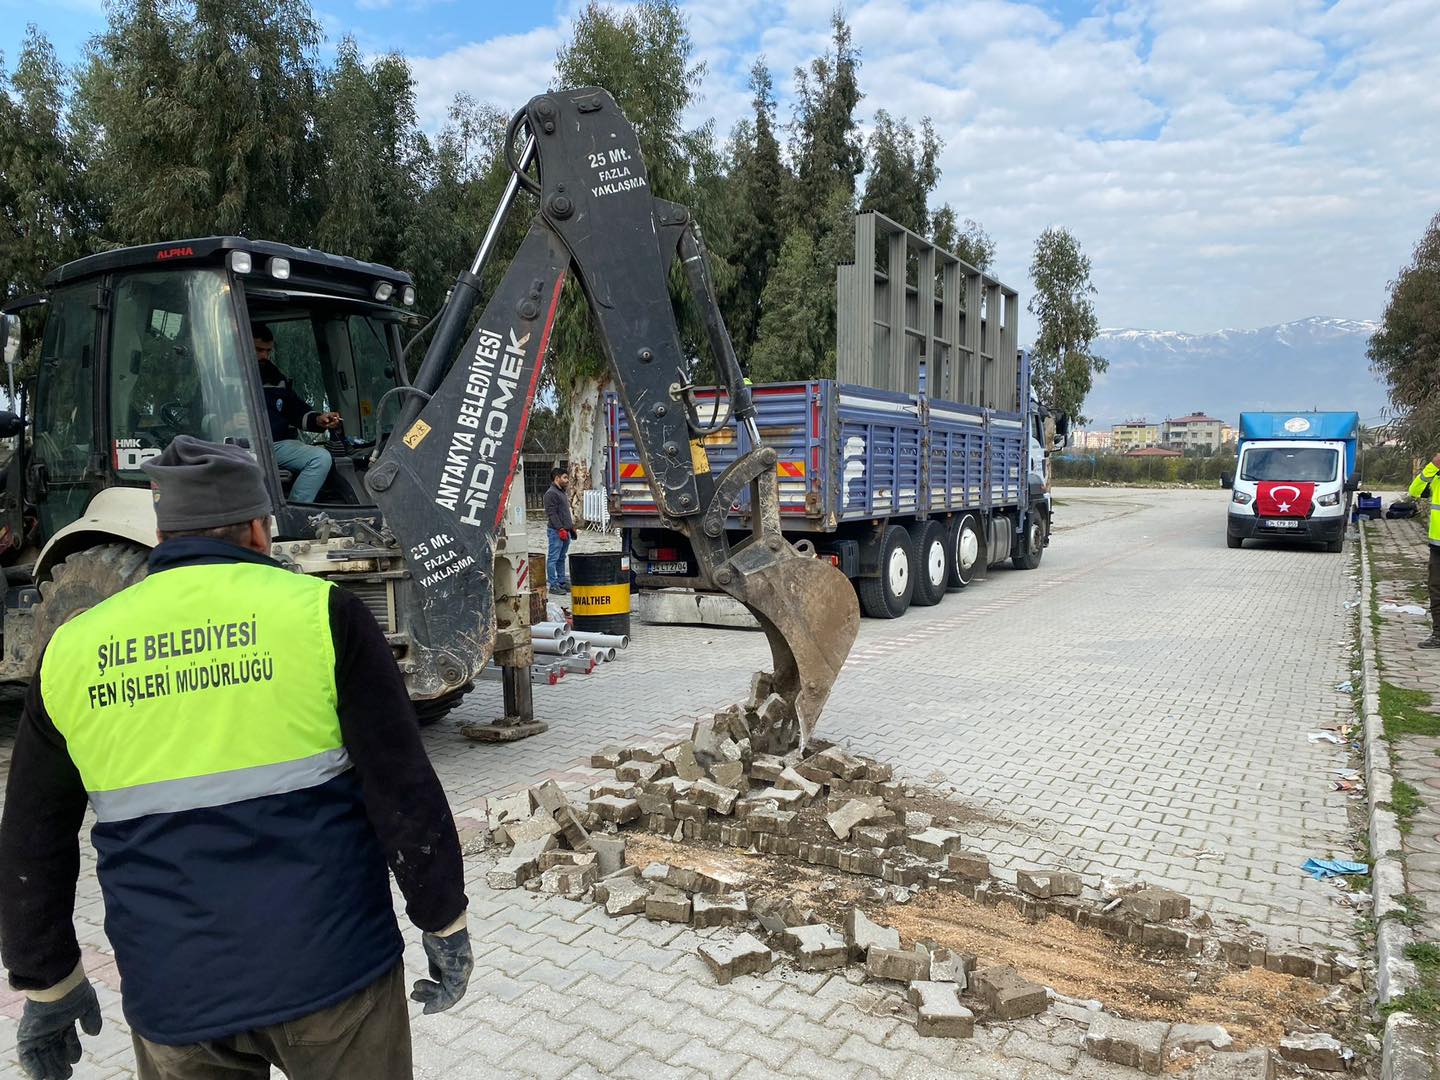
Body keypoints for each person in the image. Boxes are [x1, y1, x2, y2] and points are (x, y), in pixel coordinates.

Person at [0, 437, 472, 1080]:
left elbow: (32, 835)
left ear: (162, 532)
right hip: (332, 973)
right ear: (258, 527)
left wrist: (48, 979)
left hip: (176, 988)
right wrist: (442, 917)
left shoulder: (73, 651)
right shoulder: (321, 615)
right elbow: (402, 788)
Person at [253, 323, 342, 503]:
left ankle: (297, 510)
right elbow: (201, 416)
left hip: (275, 444)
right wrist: (226, 423)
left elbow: (294, 409)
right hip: (237, 445)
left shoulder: (275, 376)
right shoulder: (222, 373)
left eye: (268, 351)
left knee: (320, 458)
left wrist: (319, 419)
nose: (264, 356)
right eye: (258, 350)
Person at [1409, 452, 1440, 648]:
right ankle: (1438, 634)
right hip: (1438, 545)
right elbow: (1414, 490)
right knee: (1436, 589)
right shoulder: (1436, 475)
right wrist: (1433, 466)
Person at [544, 465, 575, 593]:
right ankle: (553, 584)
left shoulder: (561, 492)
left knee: (562, 558)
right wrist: (560, 529)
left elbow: (564, 512)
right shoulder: (551, 494)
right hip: (556, 532)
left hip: (565, 531)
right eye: (565, 477)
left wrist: (570, 527)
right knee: (553, 558)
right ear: (557, 478)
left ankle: (561, 581)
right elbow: (552, 514)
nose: (567, 480)